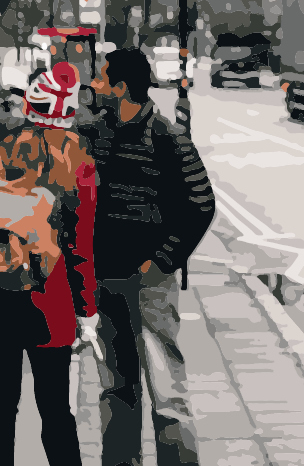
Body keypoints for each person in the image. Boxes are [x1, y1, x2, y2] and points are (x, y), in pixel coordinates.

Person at [0, 62, 98, 466]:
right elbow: (81, 244)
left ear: (28, 105)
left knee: (0, 406)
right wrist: (88, 312)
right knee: (55, 410)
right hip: (51, 297)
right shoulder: (78, 159)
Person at [84, 46, 215, 466]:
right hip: (106, 277)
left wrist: (161, 260)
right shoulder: (97, 132)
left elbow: (201, 201)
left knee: (166, 391)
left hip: (150, 282)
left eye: (101, 79)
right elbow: (41, 128)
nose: (93, 85)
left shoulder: (166, 136)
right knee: (116, 388)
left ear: (121, 88)